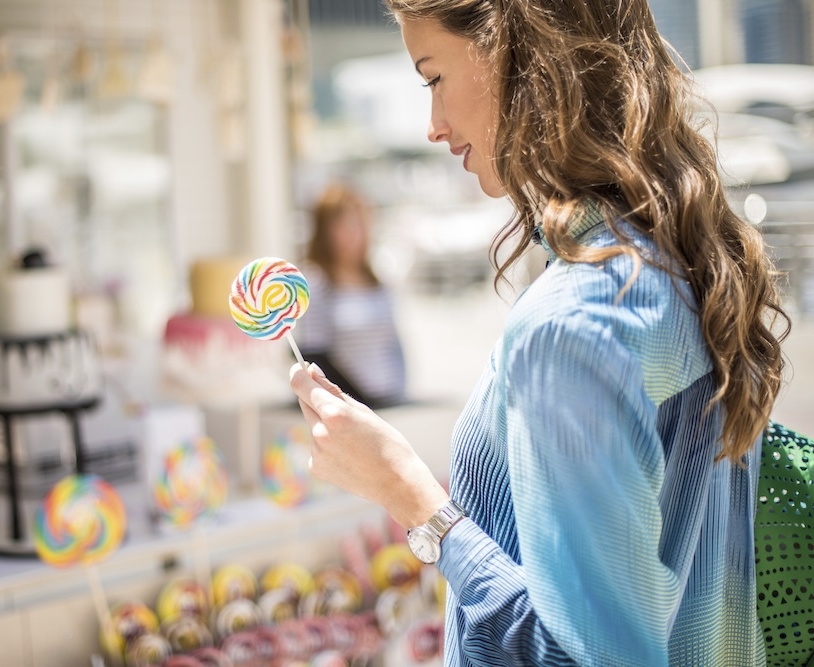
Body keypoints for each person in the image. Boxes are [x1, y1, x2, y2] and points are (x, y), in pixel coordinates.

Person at [289, 1, 790, 666]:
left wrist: (412, 497)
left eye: (433, 77)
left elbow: (581, 656)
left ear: (514, 54)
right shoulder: (675, 264)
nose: (433, 126)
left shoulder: (570, 322)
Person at [297, 182, 407, 409]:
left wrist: (401, 391)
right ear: (324, 231)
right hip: (349, 408)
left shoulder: (377, 280)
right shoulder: (316, 283)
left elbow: (393, 344)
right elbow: (315, 355)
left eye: (359, 223)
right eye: (343, 225)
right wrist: (355, 404)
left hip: (390, 402)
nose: (353, 233)